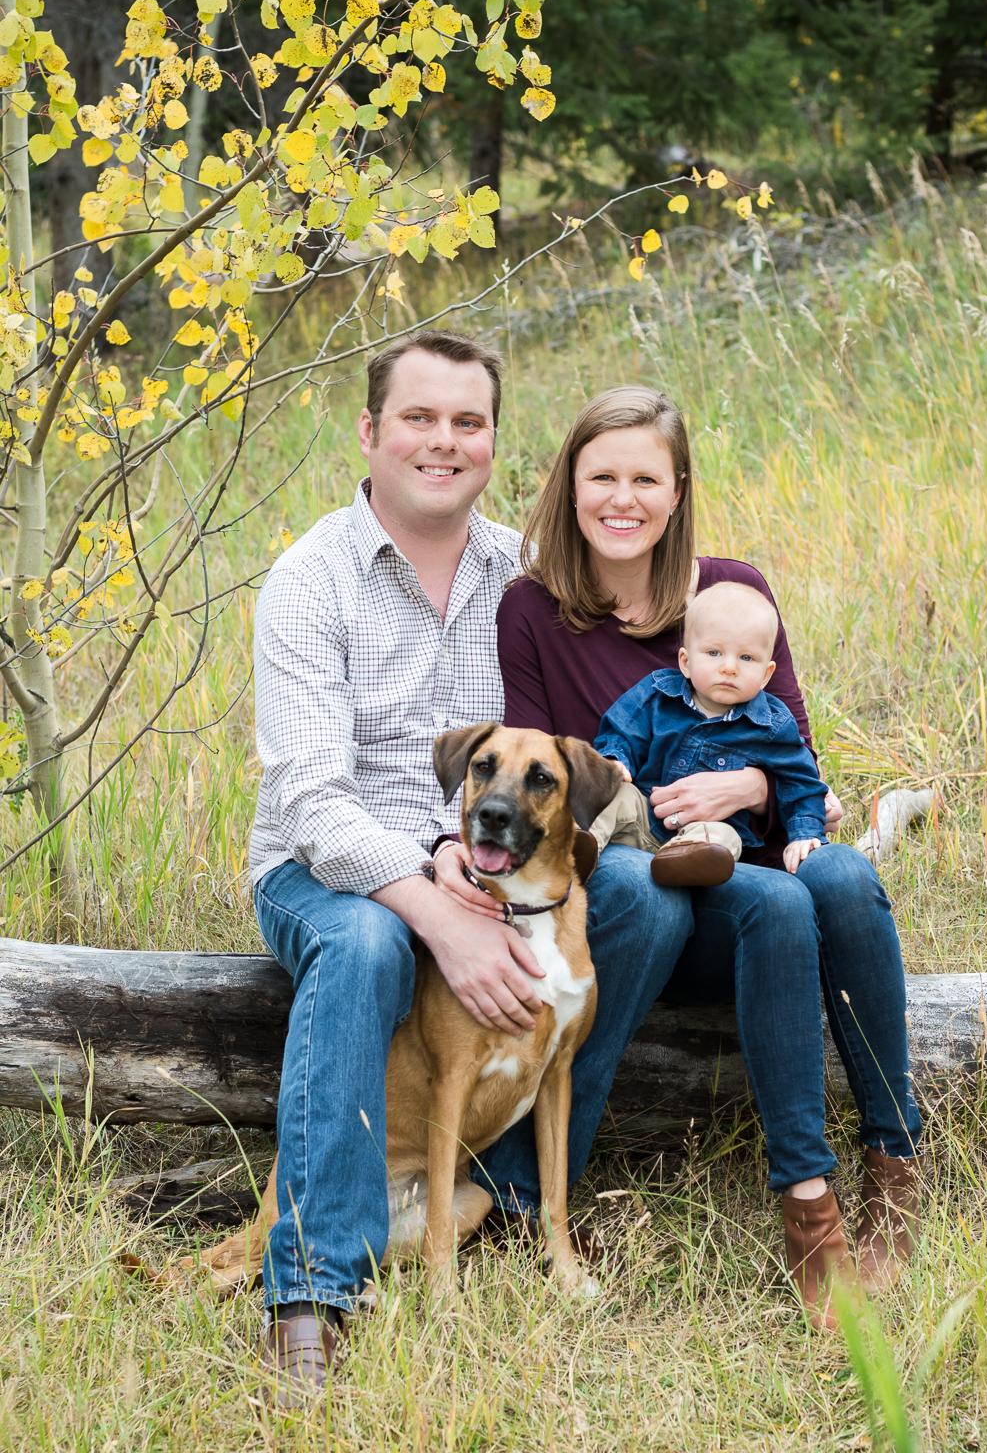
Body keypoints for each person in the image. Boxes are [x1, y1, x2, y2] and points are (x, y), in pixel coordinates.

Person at [247, 333, 693, 1402]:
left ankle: (504, 1198)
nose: (443, 441)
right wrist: (435, 903)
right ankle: (310, 1290)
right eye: (418, 417)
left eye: (468, 422)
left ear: (493, 441)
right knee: (366, 939)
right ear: (370, 431)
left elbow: (575, 746)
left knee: (635, 903)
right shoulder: (311, 579)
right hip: (329, 868)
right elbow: (311, 800)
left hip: (487, 861)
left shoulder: (522, 578)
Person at [463, 385, 922, 1330]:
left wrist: (746, 791)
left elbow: (796, 757)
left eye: (645, 477)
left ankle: (886, 1163)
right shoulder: (532, 611)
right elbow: (545, 787)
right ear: (569, 485)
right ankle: (529, 1197)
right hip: (634, 891)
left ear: (678, 492)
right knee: (650, 883)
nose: (621, 498)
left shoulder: (731, 592)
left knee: (830, 876)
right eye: (602, 476)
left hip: (748, 872)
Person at [593, 579, 829, 886]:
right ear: (686, 662)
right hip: (642, 818)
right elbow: (622, 731)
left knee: (723, 837)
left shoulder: (771, 725)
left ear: (766, 674)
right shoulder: (657, 695)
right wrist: (615, 759)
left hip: (704, 831)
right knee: (614, 794)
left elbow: (800, 782)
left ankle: (682, 869)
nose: (729, 667)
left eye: (746, 658)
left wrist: (806, 833)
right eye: (714, 653)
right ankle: (580, 842)